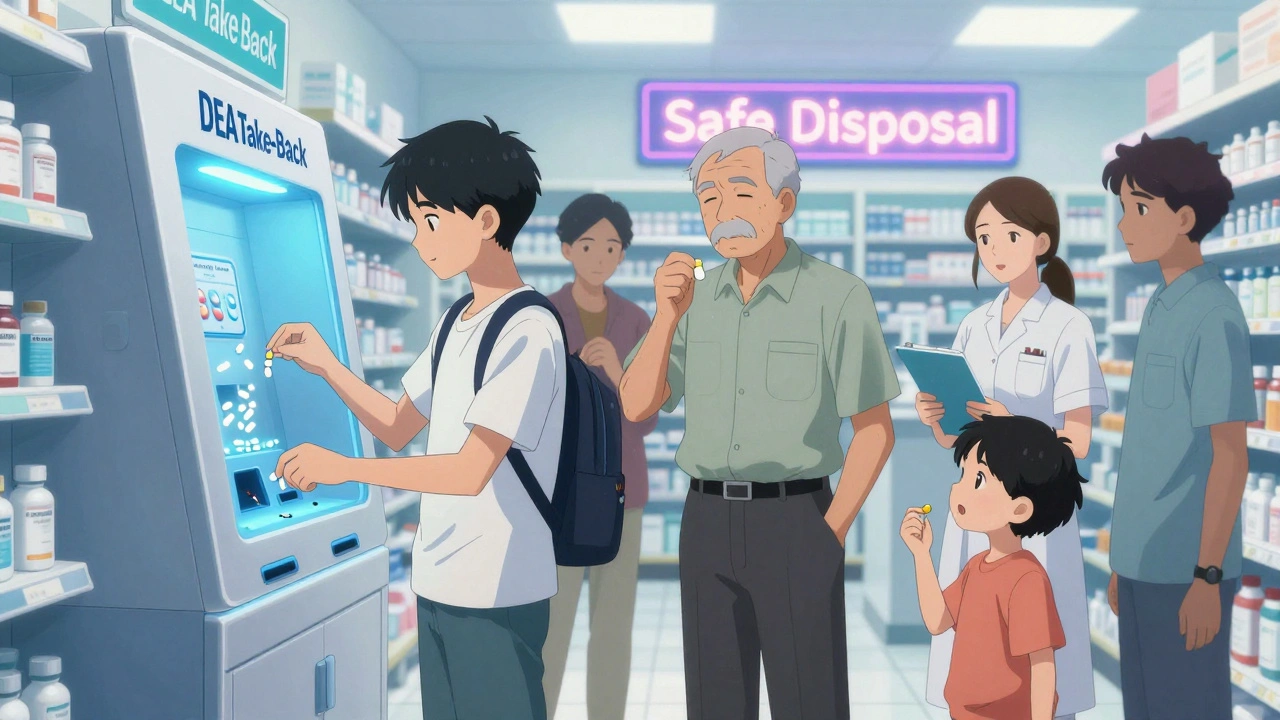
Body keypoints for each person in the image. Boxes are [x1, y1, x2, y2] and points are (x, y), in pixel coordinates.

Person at [266, 118, 566, 720]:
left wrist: (343, 468)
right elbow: (399, 425)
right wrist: (328, 365)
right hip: (439, 582)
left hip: (498, 591)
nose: (418, 239)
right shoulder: (456, 319)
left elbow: (468, 471)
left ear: (484, 221)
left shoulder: (529, 330)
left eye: (430, 220)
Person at [619, 126, 899, 720]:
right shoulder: (693, 297)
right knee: (715, 700)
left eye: (741, 193)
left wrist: (832, 531)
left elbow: (874, 429)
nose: (722, 211)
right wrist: (666, 317)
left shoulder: (838, 296)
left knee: (810, 699)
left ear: (785, 204)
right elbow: (637, 404)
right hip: (707, 523)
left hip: (797, 521)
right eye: (708, 198)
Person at [913, 176, 1106, 719]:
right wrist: (939, 420)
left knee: (1034, 669)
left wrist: (1016, 424)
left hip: (1030, 519)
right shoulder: (974, 327)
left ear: (1042, 242)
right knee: (974, 660)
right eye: (983, 237)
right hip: (979, 519)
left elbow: (1080, 440)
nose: (994, 249)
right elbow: (960, 441)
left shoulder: (1069, 326)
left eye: (1009, 234)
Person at [1102, 134, 1252, 720]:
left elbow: (1229, 455)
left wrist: (1208, 577)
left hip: (1186, 573)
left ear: (1185, 217)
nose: (1123, 225)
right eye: (1122, 209)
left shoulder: (1214, 316)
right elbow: (1148, 451)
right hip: (1142, 566)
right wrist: (1121, 562)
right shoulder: (1161, 307)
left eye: (1138, 209)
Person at [541, 193, 657, 719]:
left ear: (622, 256)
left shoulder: (636, 322)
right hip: (556, 497)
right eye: (587, 244)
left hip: (620, 494)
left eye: (611, 247)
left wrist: (615, 372)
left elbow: (649, 417)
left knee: (613, 626)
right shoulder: (540, 315)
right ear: (567, 248)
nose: (599, 256)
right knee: (551, 623)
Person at [901, 414, 1084, 720]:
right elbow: (937, 620)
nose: (959, 489)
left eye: (978, 480)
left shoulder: (1026, 579)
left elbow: (1042, 665)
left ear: (1020, 508)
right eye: (963, 474)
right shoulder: (976, 567)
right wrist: (921, 554)